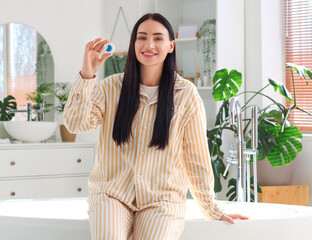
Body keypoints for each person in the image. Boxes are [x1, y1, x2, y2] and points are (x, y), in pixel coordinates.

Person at [64, 13, 249, 240]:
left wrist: (211, 207)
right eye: (142, 38)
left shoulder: (186, 94)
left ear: (171, 46)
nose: (149, 44)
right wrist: (87, 74)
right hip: (111, 195)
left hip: (162, 200)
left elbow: (196, 157)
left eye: (158, 38)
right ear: (134, 44)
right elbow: (75, 124)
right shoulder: (111, 86)